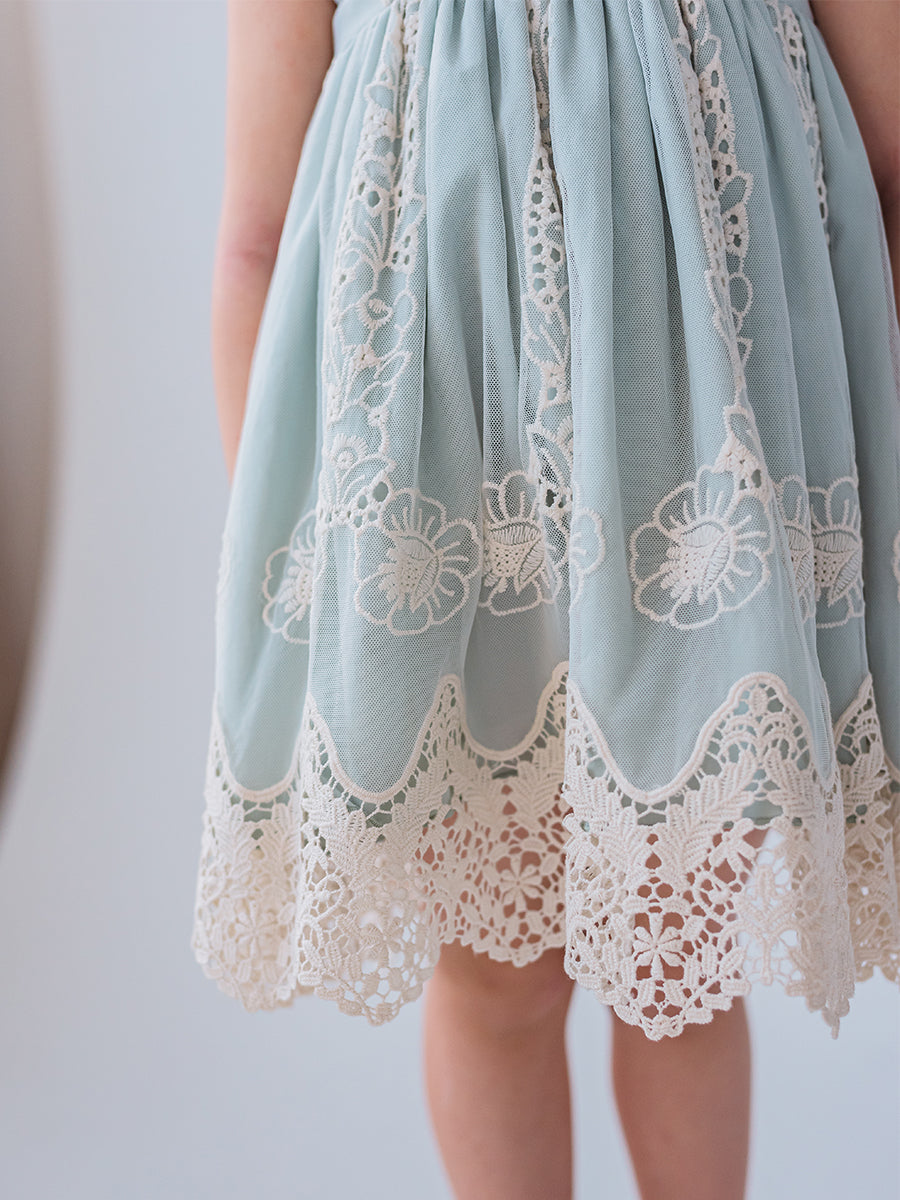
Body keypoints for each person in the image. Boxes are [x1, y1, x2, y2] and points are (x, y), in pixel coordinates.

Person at [192, 2, 900, 1197]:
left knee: (676, 944)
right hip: (445, 463)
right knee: (498, 970)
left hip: (698, 451)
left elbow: (885, 161)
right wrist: (297, 570)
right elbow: (255, 238)